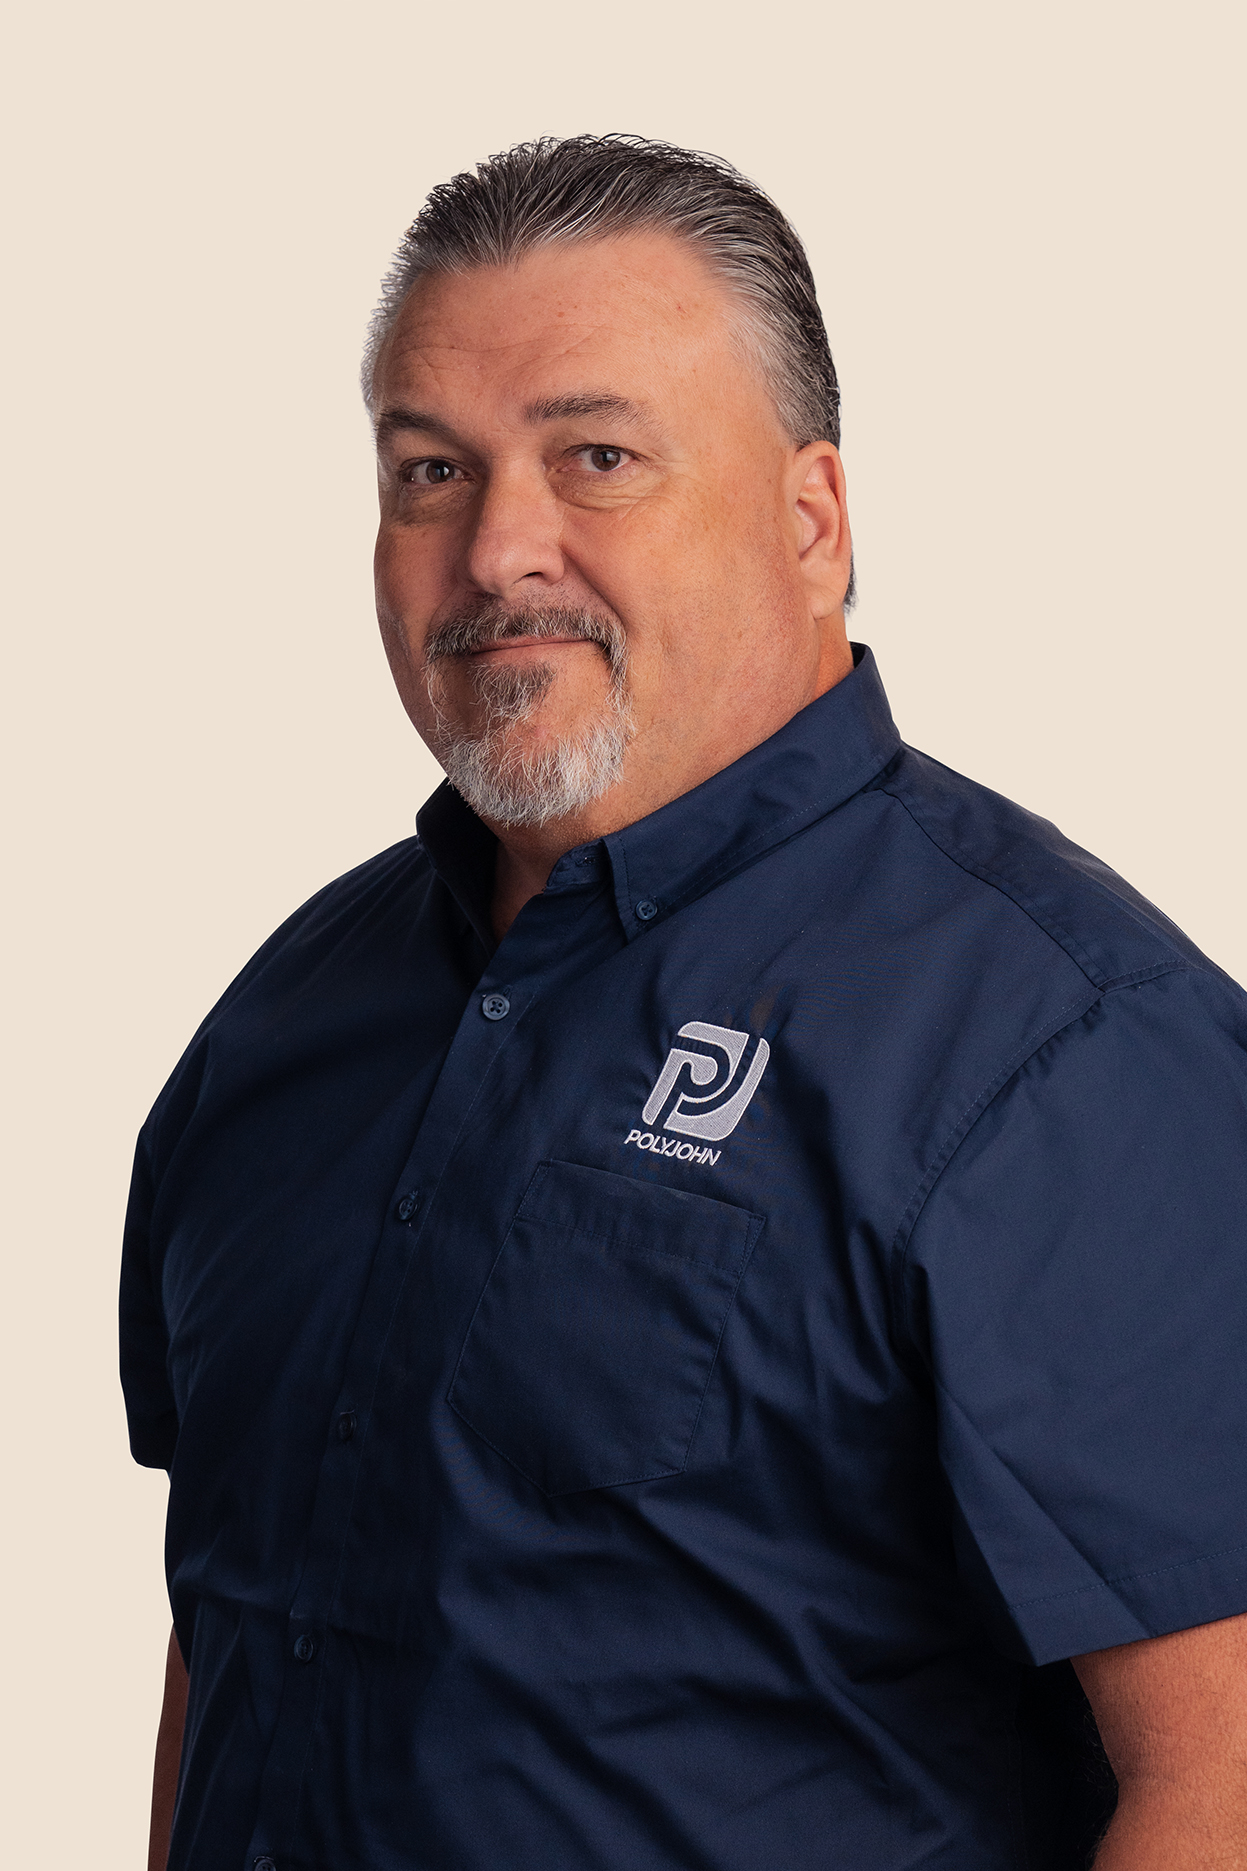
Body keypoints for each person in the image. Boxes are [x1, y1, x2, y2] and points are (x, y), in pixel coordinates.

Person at [122, 136, 1247, 1871]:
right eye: (432, 471)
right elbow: (239, 1628)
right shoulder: (288, 1023)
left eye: (598, 457)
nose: (500, 549)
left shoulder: (1069, 1051)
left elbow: (1224, 1773)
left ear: (812, 522)